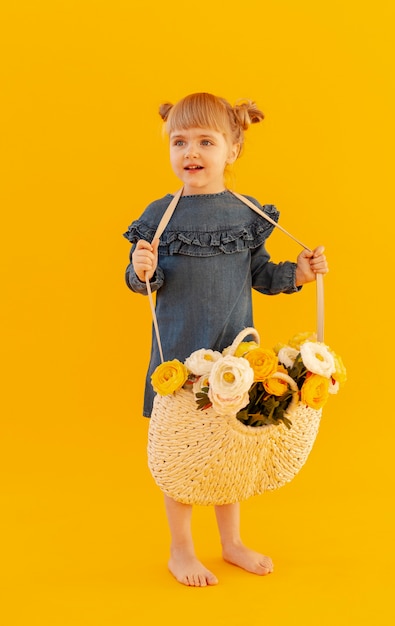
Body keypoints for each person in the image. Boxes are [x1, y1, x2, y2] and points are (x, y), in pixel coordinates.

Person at [124, 92, 328, 587]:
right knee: (182, 453)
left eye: (205, 141)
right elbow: (141, 283)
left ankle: (231, 542)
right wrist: (139, 269)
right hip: (179, 353)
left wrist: (297, 274)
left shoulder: (245, 214)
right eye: (180, 142)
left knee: (226, 449)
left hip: (233, 356)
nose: (190, 152)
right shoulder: (160, 215)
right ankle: (181, 549)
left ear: (232, 149)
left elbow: (260, 273)